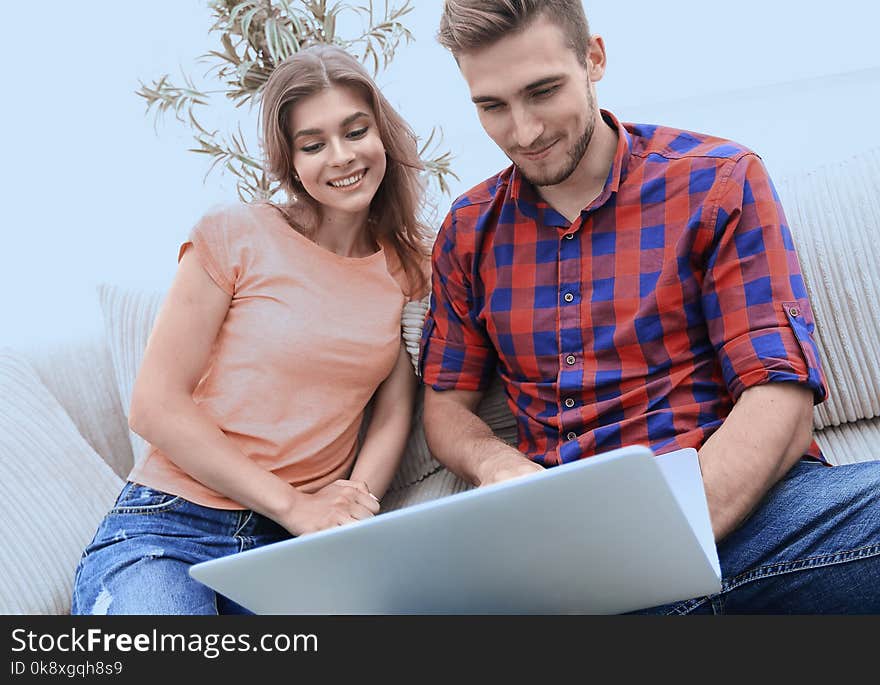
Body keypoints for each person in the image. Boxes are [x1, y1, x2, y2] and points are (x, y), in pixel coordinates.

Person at [420, 0, 880, 613]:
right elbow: (445, 409)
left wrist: (659, 549)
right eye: (492, 106)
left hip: (756, 519)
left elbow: (780, 398)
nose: (523, 131)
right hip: (574, 545)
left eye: (543, 91)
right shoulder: (468, 231)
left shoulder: (718, 179)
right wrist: (495, 463)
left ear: (594, 59)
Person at [72, 44, 431, 615]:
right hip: (170, 529)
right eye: (313, 145)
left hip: (292, 547)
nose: (340, 156)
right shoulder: (233, 233)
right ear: (290, 162)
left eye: (355, 131)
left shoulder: (407, 269)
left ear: (381, 133)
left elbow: (391, 411)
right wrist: (295, 506)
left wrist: (353, 508)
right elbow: (154, 405)